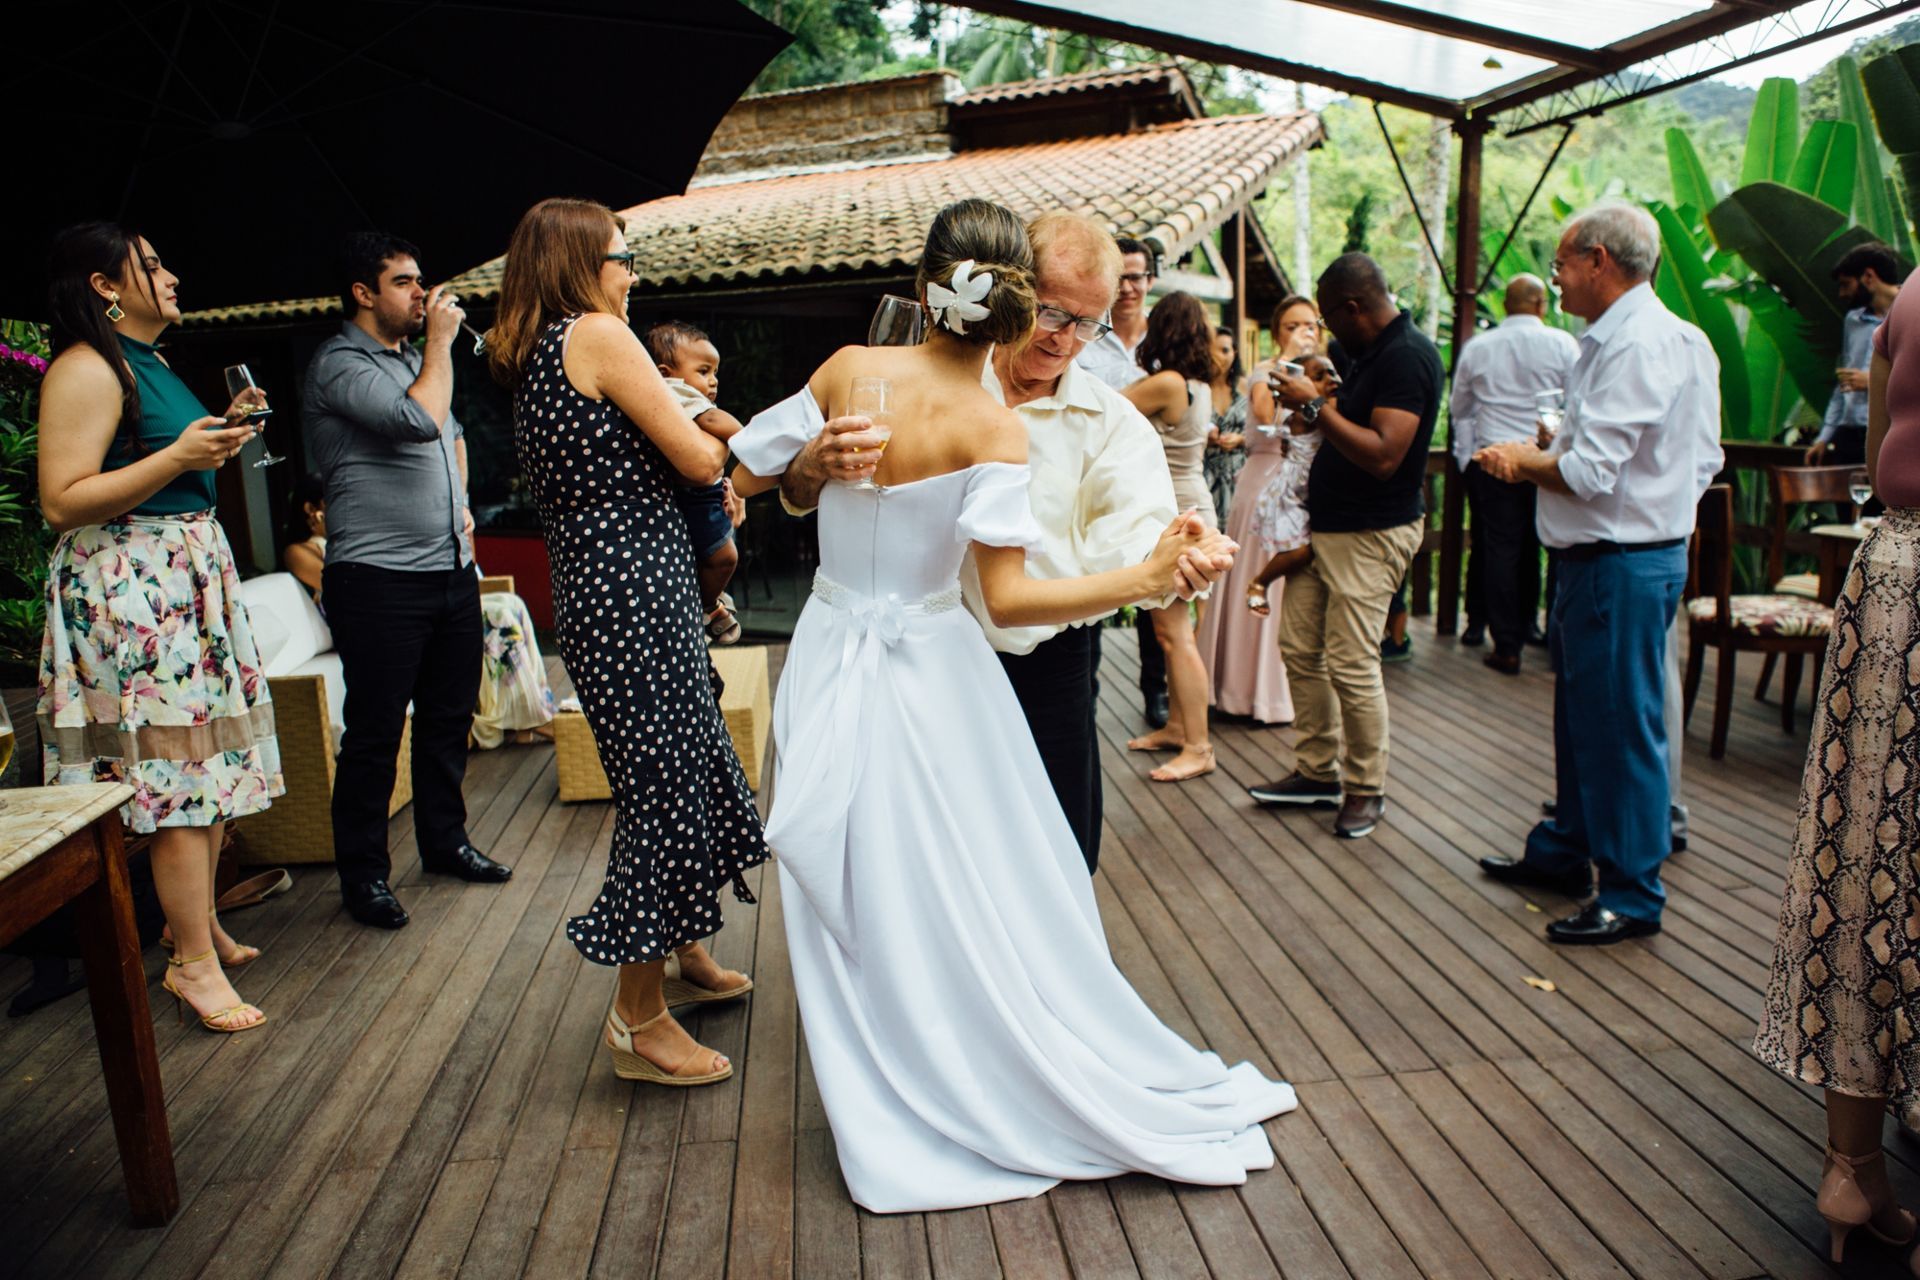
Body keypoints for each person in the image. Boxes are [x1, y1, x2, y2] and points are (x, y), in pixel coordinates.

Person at [732, 197, 1294, 1215]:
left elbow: (738, 472)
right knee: (948, 874)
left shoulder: (849, 369)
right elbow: (1007, 595)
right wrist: (1147, 575)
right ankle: (951, 1053)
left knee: (876, 871)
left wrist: (804, 466)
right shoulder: (991, 425)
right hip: (937, 666)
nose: (1066, 338)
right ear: (1014, 303)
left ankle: (889, 1058)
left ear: (921, 287)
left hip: (829, 651)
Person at [776, 211, 1233, 871]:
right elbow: (788, 492)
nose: (1066, 340)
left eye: (1089, 323)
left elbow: (1140, 541)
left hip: (1045, 665)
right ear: (1010, 290)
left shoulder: (1113, 425)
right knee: (922, 850)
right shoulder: (905, 383)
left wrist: (1177, 562)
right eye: (1051, 313)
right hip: (915, 663)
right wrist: (814, 464)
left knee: (1058, 850)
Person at [489, 196, 767, 1086]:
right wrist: (718, 435)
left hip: (598, 590)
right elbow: (695, 461)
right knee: (667, 790)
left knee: (683, 766)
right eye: (622, 255)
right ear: (579, 263)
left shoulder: (534, 355)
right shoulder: (599, 337)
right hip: (636, 592)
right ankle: (637, 1019)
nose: (632, 271)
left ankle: (685, 947)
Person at [35, 221, 280, 1033]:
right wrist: (179, 459)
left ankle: (194, 921)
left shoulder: (151, 361)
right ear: (106, 286)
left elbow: (162, 455)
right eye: (151, 265)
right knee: (176, 773)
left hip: (183, 573)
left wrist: (215, 433)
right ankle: (191, 965)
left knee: (207, 761)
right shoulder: (83, 368)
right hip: (131, 584)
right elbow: (62, 499)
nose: (172, 275)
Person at [1474, 201, 1722, 945]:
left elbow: (1587, 473)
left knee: (1620, 730)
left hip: (1619, 561)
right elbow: (1699, 459)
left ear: (1598, 262)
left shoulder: (1636, 345)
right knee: (1585, 723)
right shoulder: (1663, 338)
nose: (1557, 280)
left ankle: (1632, 891)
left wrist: (1521, 461)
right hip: (1614, 557)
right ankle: (1564, 852)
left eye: (1561, 265)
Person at [1754, 262, 1920, 1272]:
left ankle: (1852, 1163)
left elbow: (1877, 437)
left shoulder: (1909, 296)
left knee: (1863, 863)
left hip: (1893, 574)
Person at [304, 232, 511, 930]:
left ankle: (446, 842)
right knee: (375, 731)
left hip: (449, 570)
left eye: (422, 281)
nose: (423, 293)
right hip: (377, 579)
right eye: (405, 282)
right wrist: (442, 345)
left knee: (450, 720)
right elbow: (418, 420)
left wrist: (462, 509)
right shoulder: (340, 364)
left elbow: (450, 436)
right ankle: (364, 876)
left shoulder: (409, 362)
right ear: (363, 293)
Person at [1251, 254, 1444, 840]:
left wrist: (1314, 403)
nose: (1328, 331)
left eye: (1331, 318)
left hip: (1371, 531)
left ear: (1354, 306)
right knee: (1300, 648)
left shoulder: (1407, 357)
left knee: (1353, 664)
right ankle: (1317, 771)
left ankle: (1366, 787)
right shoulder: (1363, 355)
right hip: (1323, 530)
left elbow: (1384, 454)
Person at [281, 471, 557, 749]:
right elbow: (345, 585)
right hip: (368, 621)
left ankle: (532, 706)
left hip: (395, 605)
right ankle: (530, 717)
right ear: (311, 509)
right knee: (496, 617)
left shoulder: (346, 541)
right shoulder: (298, 551)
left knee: (511, 604)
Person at [1197, 295, 1321, 725]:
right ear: (1276, 333)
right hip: (1262, 480)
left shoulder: (1324, 378)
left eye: (1309, 324)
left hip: (1302, 488)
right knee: (1255, 579)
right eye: (1291, 325)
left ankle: (1283, 694)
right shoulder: (1265, 372)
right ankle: (1239, 690)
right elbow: (1268, 414)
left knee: (1294, 593)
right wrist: (1287, 362)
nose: (1302, 332)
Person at [1450, 275, 1580, 674]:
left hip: (1492, 460)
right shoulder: (1563, 344)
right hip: (1544, 462)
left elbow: (1460, 408)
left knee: (1501, 549)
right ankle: (1540, 631)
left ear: (1506, 304)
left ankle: (1507, 643)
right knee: (1549, 547)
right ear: (1541, 305)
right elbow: (1576, 405)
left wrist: (1466, 457)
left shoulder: (1479, 347)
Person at [1121, 291, 1223, 783]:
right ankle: (1178, 727)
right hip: (1192, 507)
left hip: (1179, 519)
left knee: (1174, 634)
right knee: (1176, 633)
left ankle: (1200, 748)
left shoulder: (1165, 382)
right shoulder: (1198, 386)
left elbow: (1106, 414)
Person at [1076, 237, 1170, 729]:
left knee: (1158, 595)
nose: (1130, 288)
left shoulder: (1167, 337)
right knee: (1089, 587)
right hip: (1093, 479)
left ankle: (1157, 692)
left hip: (1161, 473)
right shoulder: (1085, 334)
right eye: (1122, 278)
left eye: (1138, 277)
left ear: (1151, 281)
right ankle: (1083, 695)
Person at [643, 320, 745, 644]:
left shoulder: (680, 394)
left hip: (705, 493)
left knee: (716, 554)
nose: (713, 381)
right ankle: (706, 604)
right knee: (725, 557)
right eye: (703, 371)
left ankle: (711, 603)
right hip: (695, 497)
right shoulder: (675, 392)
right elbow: (713, 419)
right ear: (665, 372)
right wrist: (751, 439)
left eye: (715, 372)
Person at [1244, 353, 1343, 609]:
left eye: (1332, 373)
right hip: (1293, 493)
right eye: (1320, 377)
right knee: (1302, 550)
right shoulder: (1307, 414)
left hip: (1306, 490)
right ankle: (1260, 582)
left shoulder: (1318, 409)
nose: (1331, 380)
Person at [1203, 325, 1248, 527]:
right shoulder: (1196, 387)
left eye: (1225, 350)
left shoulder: (1245, 386)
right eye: (1211, 350)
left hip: (1240, 472)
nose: (1219, 357)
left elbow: (1265, 432)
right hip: (1206, 473)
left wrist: (1241, 439)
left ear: (1235, 352)